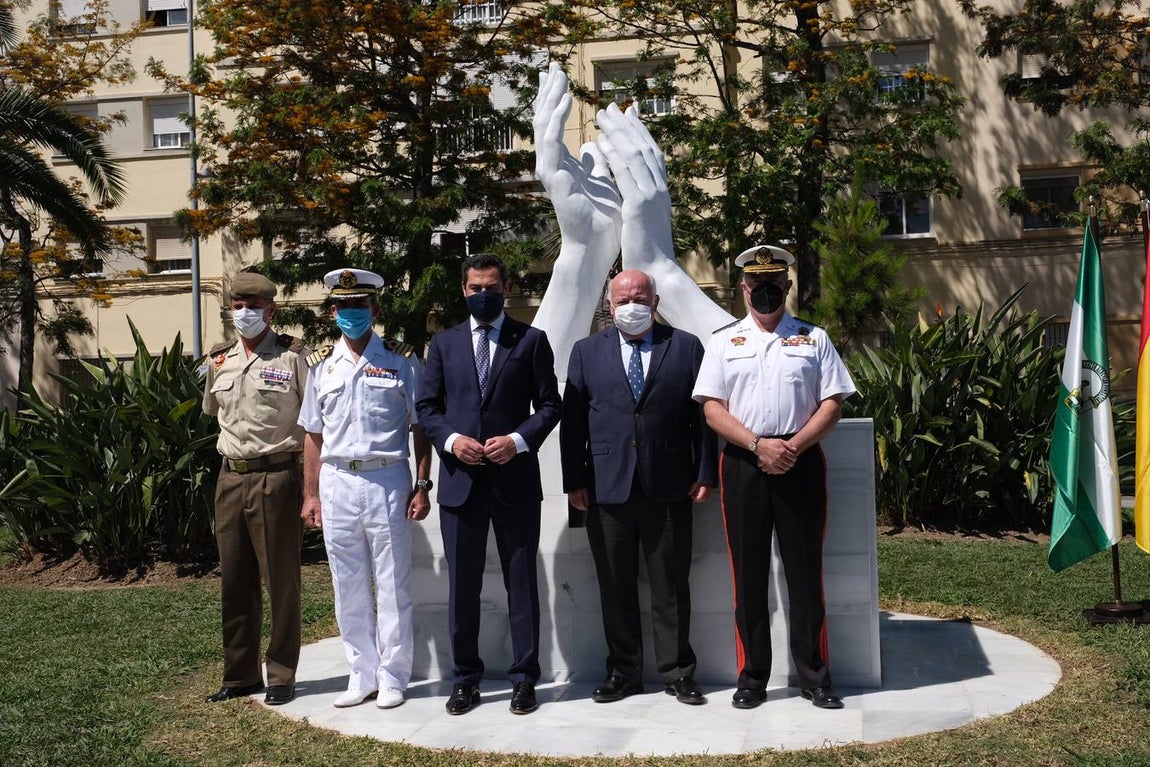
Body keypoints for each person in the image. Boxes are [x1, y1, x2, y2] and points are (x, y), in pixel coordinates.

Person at [691, 245, 856, 711]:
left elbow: (832, 403)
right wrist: (757, 445)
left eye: (773, 283)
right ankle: (752, 678)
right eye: (756, 283)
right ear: (743, 288)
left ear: (787, 285)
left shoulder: (813, 338)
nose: (764, 290)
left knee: (805, 574)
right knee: (748, 576)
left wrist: (792, 447)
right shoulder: (723, 342)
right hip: (744, 463)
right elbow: (712, 408)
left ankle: (814, 677)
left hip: (799, 461)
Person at [560, 269, 716, 706]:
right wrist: (574, 481)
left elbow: (703, 418)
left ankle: (678, 672)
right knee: (615, 586)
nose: (632, 305)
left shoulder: (685, 346)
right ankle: (623, 672)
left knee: (670, 585)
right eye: (623, 299)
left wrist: (705, 472)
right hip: (606, 487)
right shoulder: (586, 351)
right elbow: (573, 423)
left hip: (669, 485)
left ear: (656, 301)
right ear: (610, 305)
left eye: (640, 297)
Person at [415, 253, 562, 716]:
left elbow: (550, 405)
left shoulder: (532, 340)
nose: (483, 295)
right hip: (460, 483)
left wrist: (517, 441)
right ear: (464, 290)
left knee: (522, 582)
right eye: (476, 288)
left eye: (492, 288)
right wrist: (452, 441)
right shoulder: (443, 344)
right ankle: (465, 679)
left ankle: (524, 679)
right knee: (463, 585)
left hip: (514, 482)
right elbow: (426, 408)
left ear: (506, 288)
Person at [298, 268, 433, 710]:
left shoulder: (401, 360)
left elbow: (420, 426)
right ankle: (361, 673)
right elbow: (313, 434)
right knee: (347, 582)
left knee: (393, 583)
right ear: (332, 312)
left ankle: (393, 676)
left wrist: (422, 484)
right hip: (337, 480)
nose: (352, 313)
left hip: (387, 478)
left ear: (374, 309)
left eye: (360, 305)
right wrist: (310, 494)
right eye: (344, 306)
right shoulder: (320, 365)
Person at [202, 272, 308, 706]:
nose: (244, 312)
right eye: (237, 304)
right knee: (234, 579)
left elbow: (313, 423)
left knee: (280, 580)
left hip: (276, 475)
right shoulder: (219, 359)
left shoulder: (293, 356)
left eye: (253, 305)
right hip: (230, 476)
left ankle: (281, 674)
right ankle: (240, 674)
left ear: (271, 310)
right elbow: (215, 412)